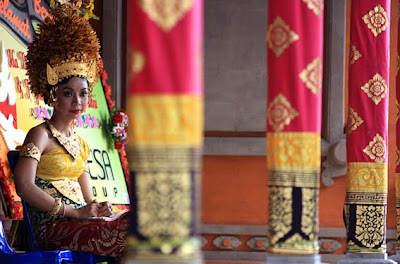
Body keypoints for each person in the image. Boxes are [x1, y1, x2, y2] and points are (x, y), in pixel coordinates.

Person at [13, 0, 128, 259]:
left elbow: (88, 202)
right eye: (68, 93)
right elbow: (24, 186)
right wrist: (72, 212)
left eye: (83, 94)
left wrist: (97, 209)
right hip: (52, 227)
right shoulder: (40, 135)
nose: (77, 102)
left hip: (79, 222)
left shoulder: (79, 142)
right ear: (53, 95)